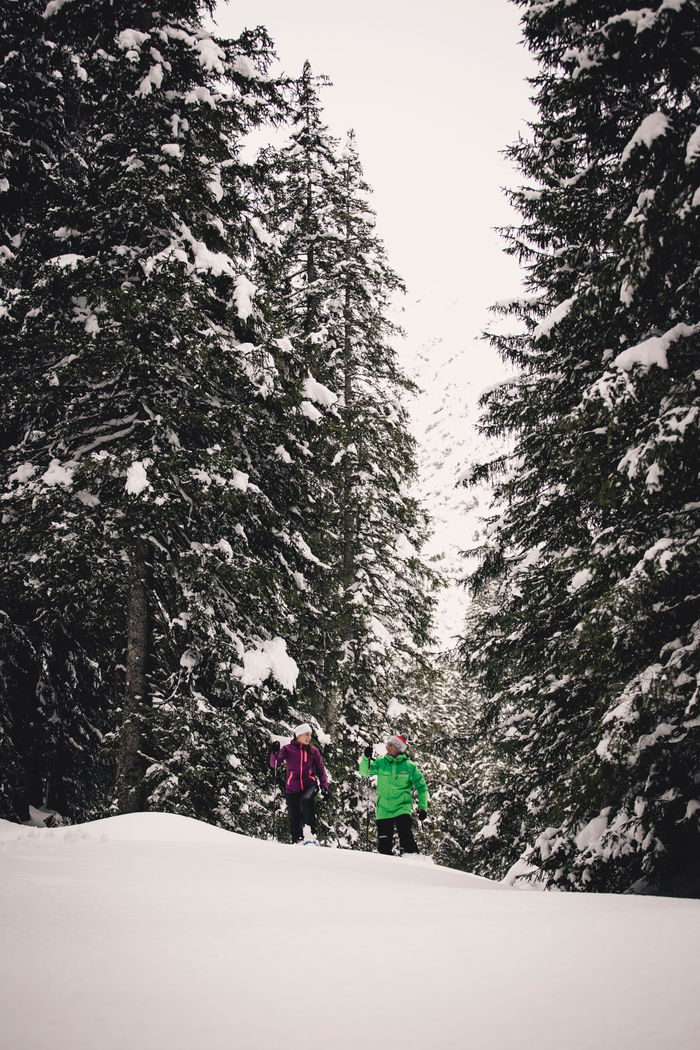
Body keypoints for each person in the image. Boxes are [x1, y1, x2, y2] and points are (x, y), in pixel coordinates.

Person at [359, 733, 428, 855]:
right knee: (384, 848)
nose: (387, 747)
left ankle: (414, 864)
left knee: (407, 843)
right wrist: (366, 757)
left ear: (398, 748)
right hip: (384, 809)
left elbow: (422, 787)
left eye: (390, 745)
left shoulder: (410, 766)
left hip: (402, 808)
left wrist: (423, 807)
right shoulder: (381, 763)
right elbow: (365, 772)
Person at [270, 723, 329, 844]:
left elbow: (321, 770)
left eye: (310, 735)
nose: (309, 737)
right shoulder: (287, 749)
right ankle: (298, 841)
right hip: (292, 788)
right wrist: (274, 752)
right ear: (298, 735)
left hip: (310, 785)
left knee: (306, 800)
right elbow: (274, 764)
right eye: (307, 734)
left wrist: (324, 787)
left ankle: (311, 836)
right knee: (294, 816)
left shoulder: (314, 751)